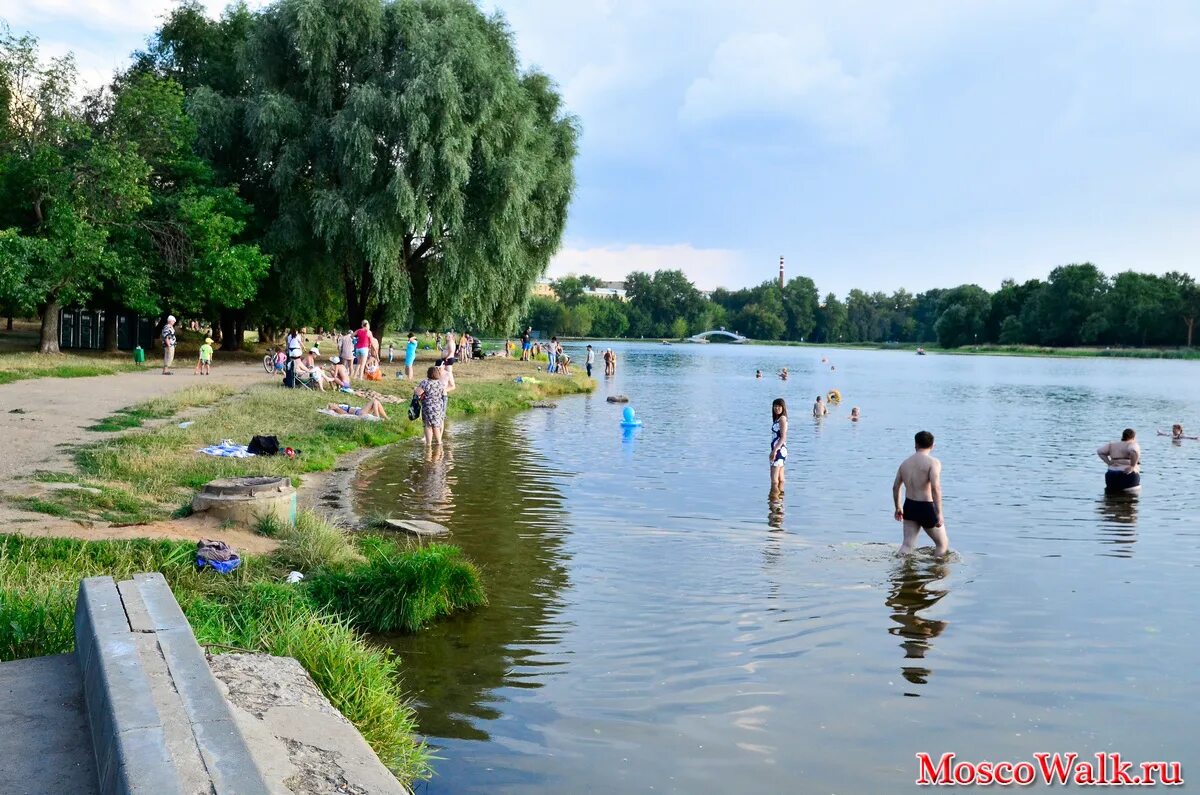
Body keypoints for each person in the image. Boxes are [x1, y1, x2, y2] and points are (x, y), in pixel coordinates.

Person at [892, 430, 949, 556]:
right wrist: (939, 513)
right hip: (926, 507)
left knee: (907, 545)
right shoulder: (933, 463)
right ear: (933, 446)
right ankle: (937, 572)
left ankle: (901, 569)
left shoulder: (905, 463)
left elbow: (895, 487)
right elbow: (936, 488)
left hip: (910, 506)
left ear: (915, 444)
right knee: (942, 544)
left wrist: (898, 507)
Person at [415, 365, 450, 445]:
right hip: (438, 408)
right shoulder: (440, 384)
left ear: (428, 374)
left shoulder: (425, 383)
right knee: (436, 426)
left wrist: (415, 389)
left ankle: (428, 444)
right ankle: (439, 442)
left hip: (428, 407)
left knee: (428, 426)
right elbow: (444, 395)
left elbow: (418, 393)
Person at [770, 398, 788, 490]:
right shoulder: (778, 419)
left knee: (774, 480)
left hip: (779, 450)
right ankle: (780, 501)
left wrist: (774, 451)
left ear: (783, 407)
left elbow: (783, 437)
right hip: (780, 450)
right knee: (780, 478)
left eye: (779, 406)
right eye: (775, 406)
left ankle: (774, 502)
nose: (777, 408)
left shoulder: (782, 419)